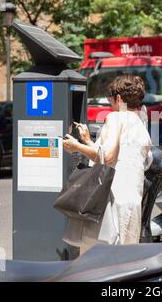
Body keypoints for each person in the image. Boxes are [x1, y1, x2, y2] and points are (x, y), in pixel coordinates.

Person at [62, 74, 151, 253]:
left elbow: (108, 157)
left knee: (96, 264)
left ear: (118, 98)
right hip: (132, 203)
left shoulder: (116, 118)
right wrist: (89, 141)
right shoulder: (141, 124)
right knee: (125, 262)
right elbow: (126, 158)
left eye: (110, 100)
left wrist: (76, 146)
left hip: (109, 203)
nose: (110, 104)